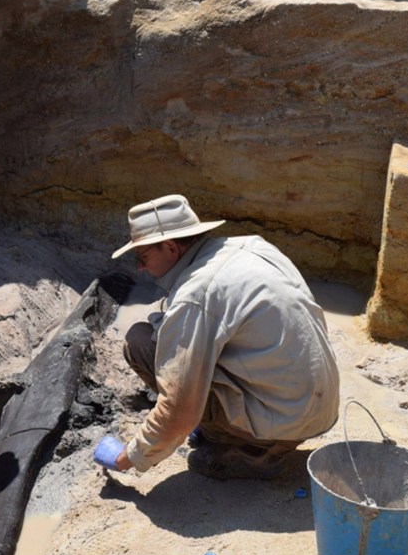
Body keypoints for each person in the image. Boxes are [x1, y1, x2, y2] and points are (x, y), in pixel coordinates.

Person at [96, 194, 340, 479]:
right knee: (168, 342)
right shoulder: (252, 245)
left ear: (171, 247)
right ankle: (240, 433)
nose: (140, 266)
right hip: (318, 407)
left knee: (140, 343)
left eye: (143, 257)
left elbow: (178, 409)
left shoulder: (197, 293)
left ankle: (254, 452)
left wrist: (128, 458)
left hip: (284, 423)